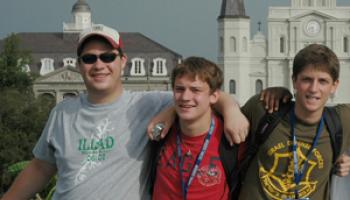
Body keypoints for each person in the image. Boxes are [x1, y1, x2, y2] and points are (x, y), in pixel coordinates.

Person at [1, 24, 248, 200]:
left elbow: (200, 94)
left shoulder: (147, 103)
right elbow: (41, 168)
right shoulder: (62, 112)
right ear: (78, 65)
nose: (99, 65)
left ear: (123, 61)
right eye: (89, 58)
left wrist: (231, 109)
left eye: (108, 56)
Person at [238, 44, 350, 200]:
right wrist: (228, 107)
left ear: (334, 86)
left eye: (323, 81)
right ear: (294, 81)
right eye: (306, 80)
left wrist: (345, 156)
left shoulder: (342, 120)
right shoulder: (265, 108)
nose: (313, 88)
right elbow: (207, 111)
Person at [152, 56, 233, 199]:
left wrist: (231, 109)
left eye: (195, 90)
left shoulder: (231, 137)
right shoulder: (161, 132)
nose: (185, 96)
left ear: (214, 96)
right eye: (179, 89)